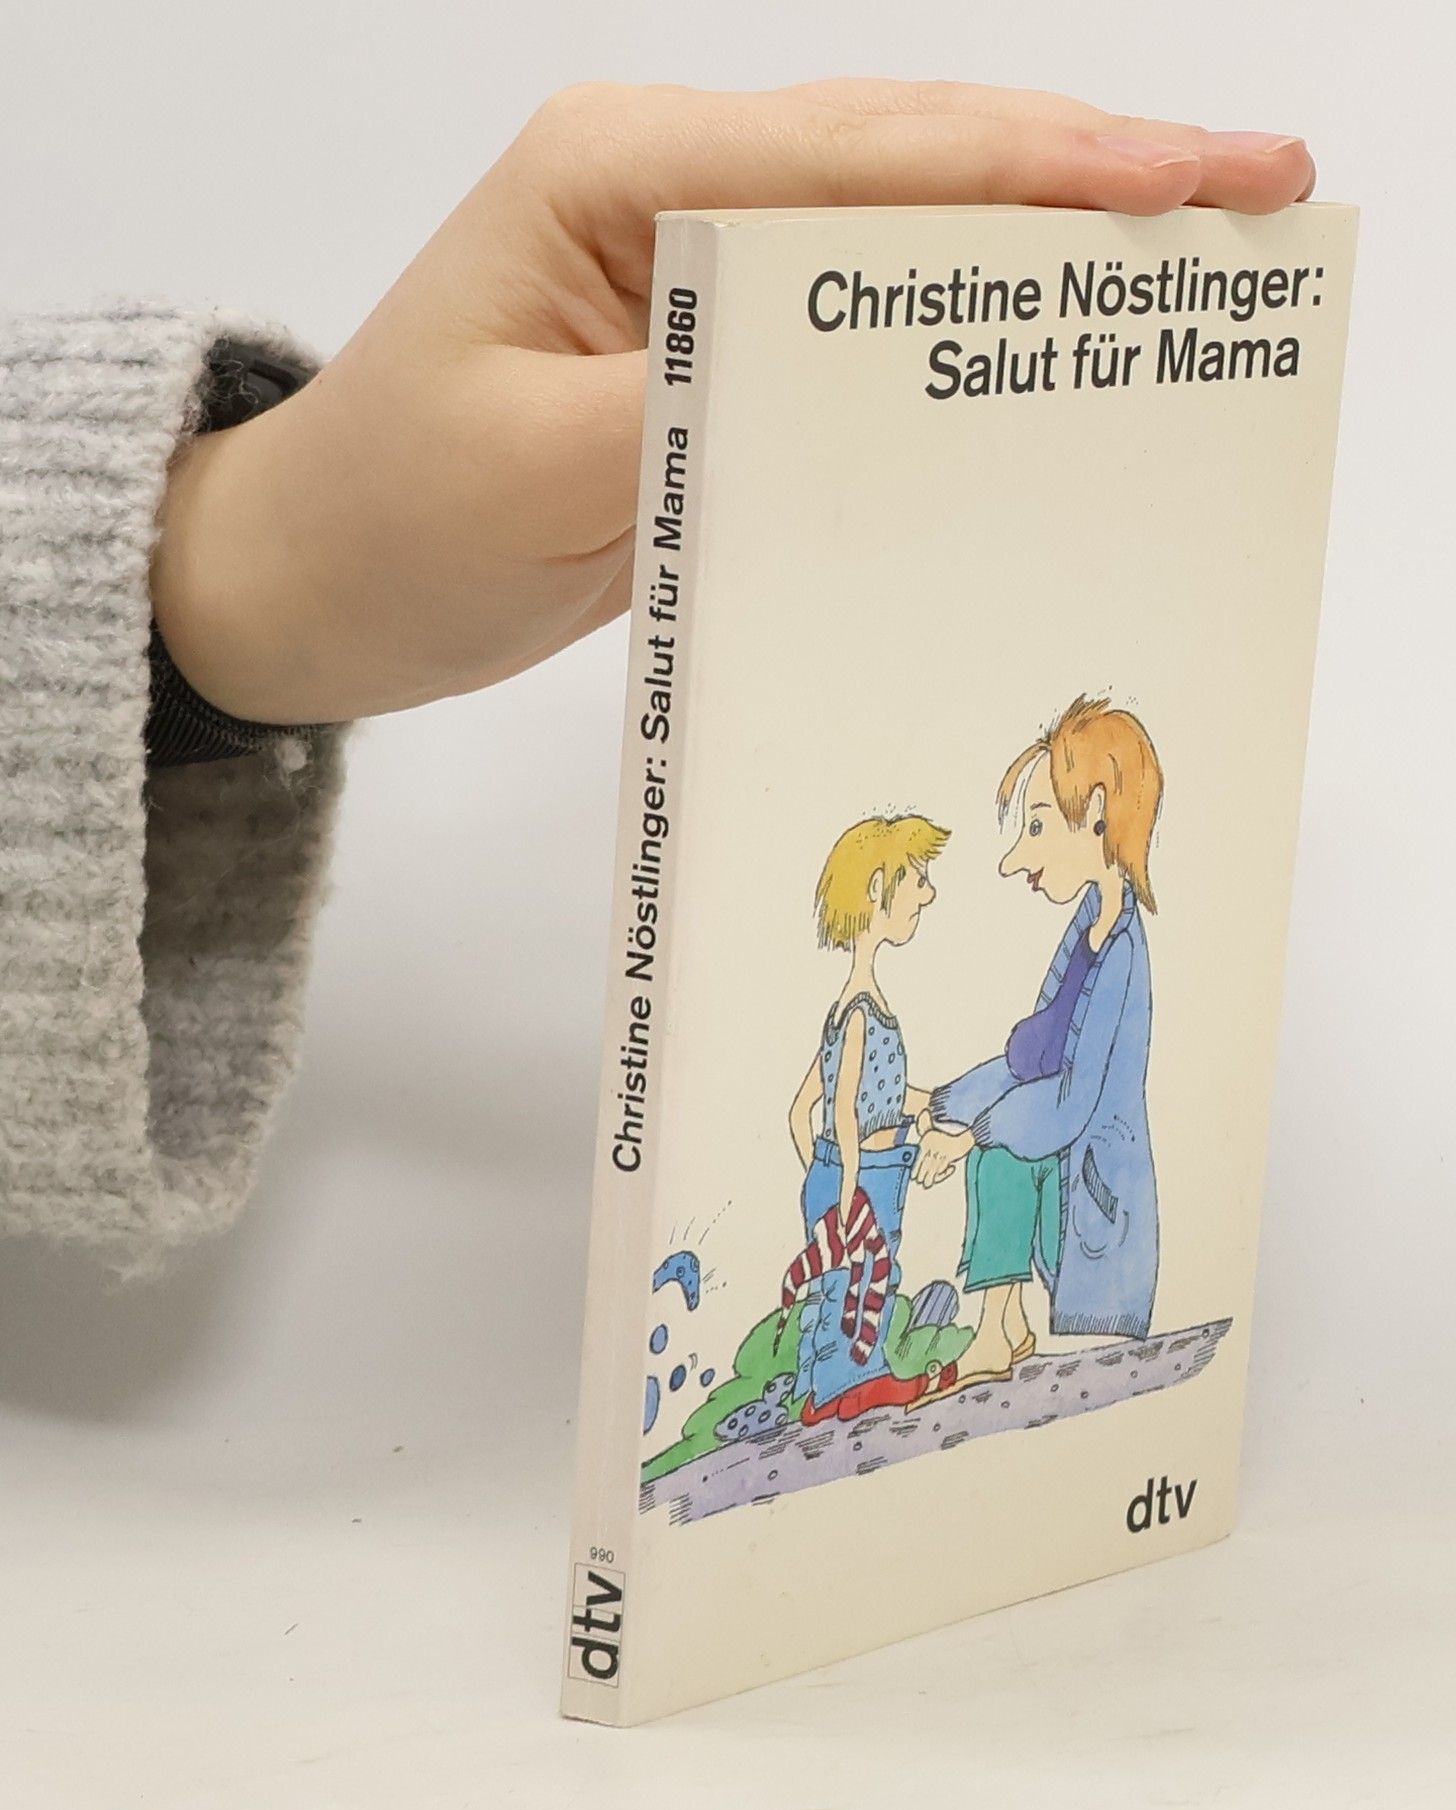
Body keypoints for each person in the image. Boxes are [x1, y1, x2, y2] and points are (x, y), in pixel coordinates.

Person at [0, 80, 1315, 1263]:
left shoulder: (1106, 950)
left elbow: (1066, 1085)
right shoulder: (930, 992)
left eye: (1029, 825)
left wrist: (235, 573)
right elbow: (940, 1091)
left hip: (1082, 1225)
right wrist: (254, 559)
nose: (994, 861)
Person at [915, 698, 1164, 1385]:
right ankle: (1006, 1325)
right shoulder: (1088, 926)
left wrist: (969, 1135)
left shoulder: (1120, 953)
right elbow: (1030, 1060)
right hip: (1065, 1166)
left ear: (1099, 814)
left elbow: (1068, 1104)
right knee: (996, 1145)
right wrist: (940, 1103)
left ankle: (995, 1334)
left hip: (1095, 1198)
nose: (1014, 861)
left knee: (996, 1157)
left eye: (1036, 827)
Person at [782, 816, 956, 1423]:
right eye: (917, 880)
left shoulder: (843, 1010)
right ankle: (853, 1383)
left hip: (842, 1170)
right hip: (868, 1175)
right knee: (867, 1274)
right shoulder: (861, 1012)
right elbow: (842, 1110)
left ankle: (818, 1387)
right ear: (879, 888)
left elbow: (802, 1112)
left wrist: (822, 1173)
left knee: (835, 1281)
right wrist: (849, 1185)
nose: (927, 894)